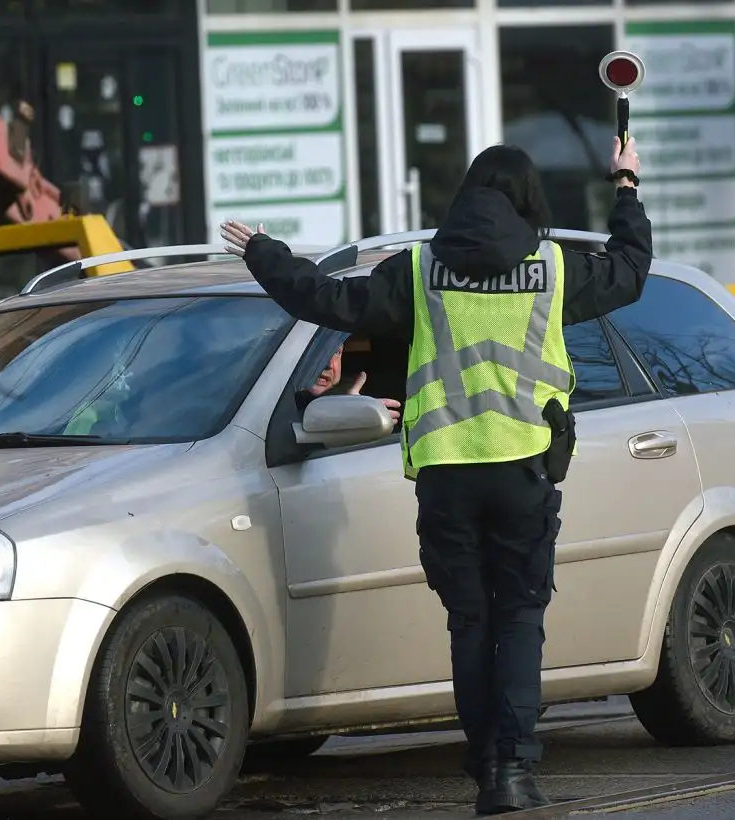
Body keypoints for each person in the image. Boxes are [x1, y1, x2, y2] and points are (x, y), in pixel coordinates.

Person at [221, 138, 650, 814]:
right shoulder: (552, 270)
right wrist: (625, 184)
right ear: (528, 200)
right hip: (524, 471)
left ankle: (487, 765)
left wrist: (264, 255)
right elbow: (630, 270)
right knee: (520, 618)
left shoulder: (418, 271)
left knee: (470, 624)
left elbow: (330, 302)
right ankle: (511, 770)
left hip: (448, 478)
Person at [298, 342, 402, 423]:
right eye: (318, 350)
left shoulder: (361, 402)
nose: (329, 364)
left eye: (337, 352)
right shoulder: (283, 396)